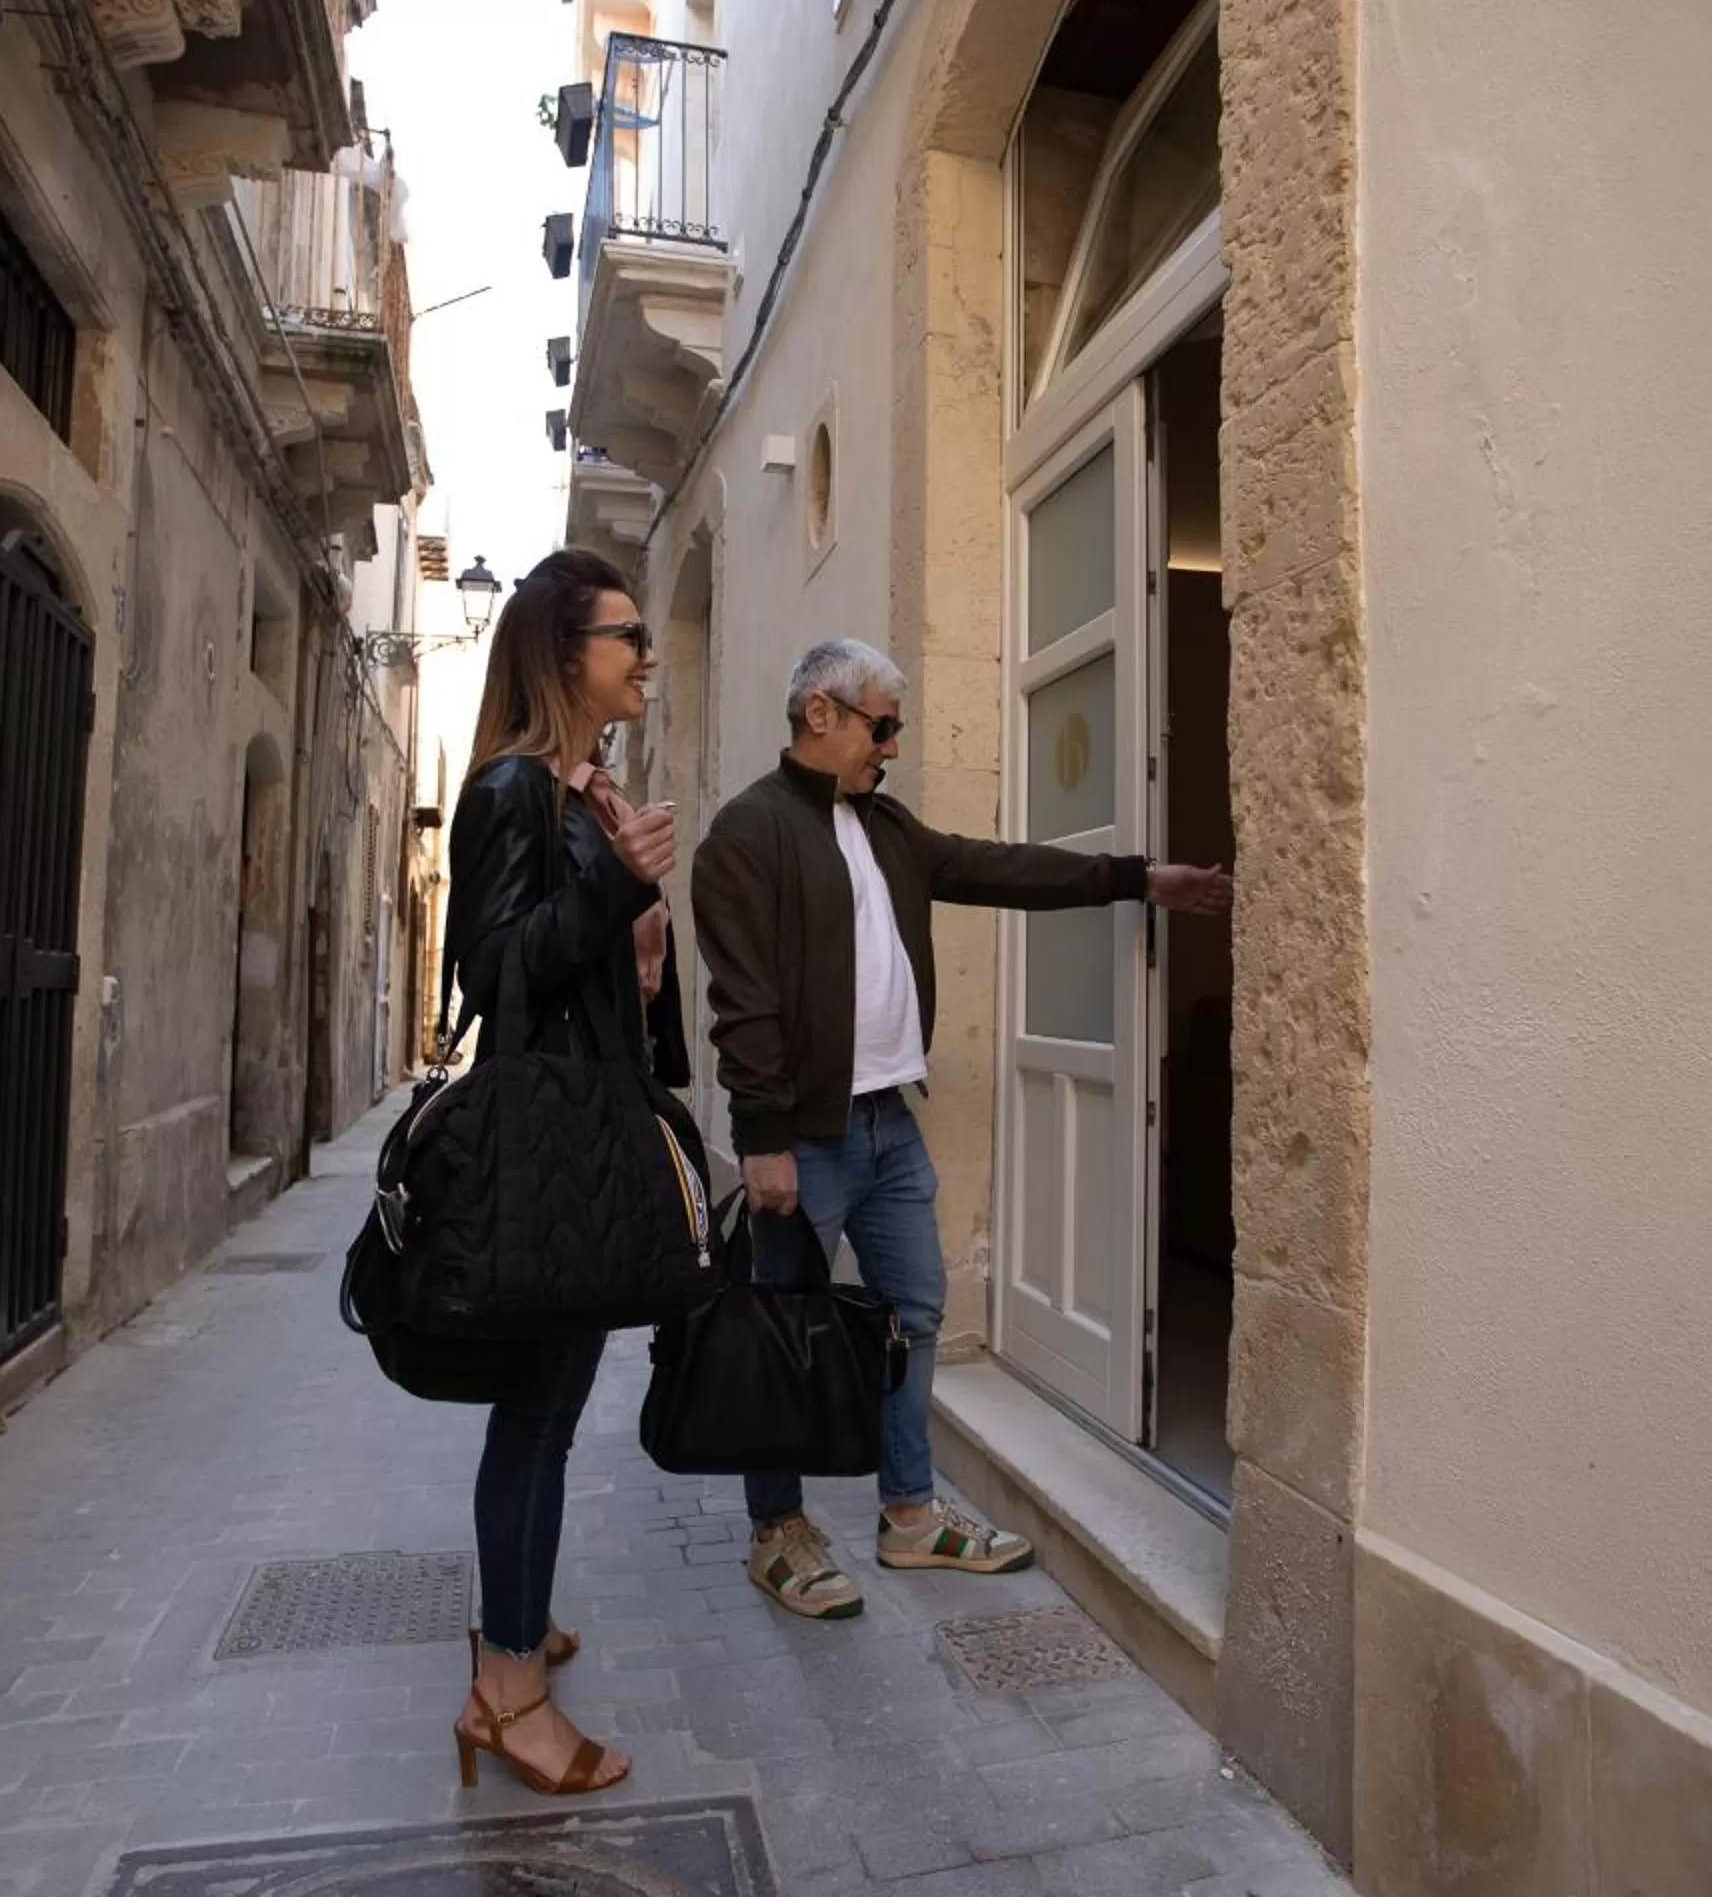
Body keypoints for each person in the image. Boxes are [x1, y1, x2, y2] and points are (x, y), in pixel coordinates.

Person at [690, 638, 1232, 1618]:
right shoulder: (747, 833)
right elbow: (745, 999)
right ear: (823, 712)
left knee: (912, 1314)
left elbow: (997, 867)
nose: (890, 745)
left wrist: (1138, 878)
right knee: (786, 1334)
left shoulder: (882, 824)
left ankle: (908, 1514)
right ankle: (778, 1529)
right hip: (804, 1138)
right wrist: (761, 1131)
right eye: (881, 724)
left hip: (890, 1123)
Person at [442, 549, 682, 1792]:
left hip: (592, 1132)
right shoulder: (505, 791)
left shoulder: (580, 791)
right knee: (535, 1419)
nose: (645, 653)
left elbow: (597, 969)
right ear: (562, 650)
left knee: (551, 1414)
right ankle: (505, 1688)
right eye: (626, 634)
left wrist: (634, 922)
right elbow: (497, 972)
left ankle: (518, 1618)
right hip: (547, 1147)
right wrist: (617, 884)